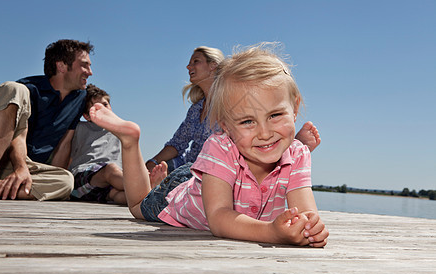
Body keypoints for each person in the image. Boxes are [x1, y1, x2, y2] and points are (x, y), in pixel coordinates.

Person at [89, 43, 329, 247]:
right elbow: (218, 218)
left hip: (210, 173)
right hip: (186, 190)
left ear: (295, 108)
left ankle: (156, 180)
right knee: (138, 207)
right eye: (247, 121)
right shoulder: (220, 145)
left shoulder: (297, 153)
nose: (264, 133)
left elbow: (307, 215)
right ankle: (130, 140)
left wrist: (309, 229)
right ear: (225, 125)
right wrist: (273, 232)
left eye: (275, 115)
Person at [146, 46, 321, 174]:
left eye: (195, 61)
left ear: (213, 65)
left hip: (219, 169)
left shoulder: (236, 103)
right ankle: (145, 188)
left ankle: (290, 151)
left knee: (129, 185)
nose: (187, 67)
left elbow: (246, 142)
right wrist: (153, 162)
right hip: (189, 165)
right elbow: (177, 143)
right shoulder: (196, 109)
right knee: (120, 189)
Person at [0, 39, 94, 200]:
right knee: (13, 89)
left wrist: (55, 189)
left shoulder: (79, 99)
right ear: (62, 66)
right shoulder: (29, 88)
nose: (90, 72)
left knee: (65, 181)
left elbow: (65, 144)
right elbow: (18, 136)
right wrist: (21, 167)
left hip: (21, 167)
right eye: (84, 65)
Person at [68, 84, 166, 205]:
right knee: (111, 169)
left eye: (105, 105)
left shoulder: (120, 130)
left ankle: (150, 198)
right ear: (86, 116)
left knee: (119, 195)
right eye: (96, 107)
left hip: (112, 183)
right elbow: (67, 154)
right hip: (84, 180)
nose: (103, 110)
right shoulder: (80, 128)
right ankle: (148, 186)